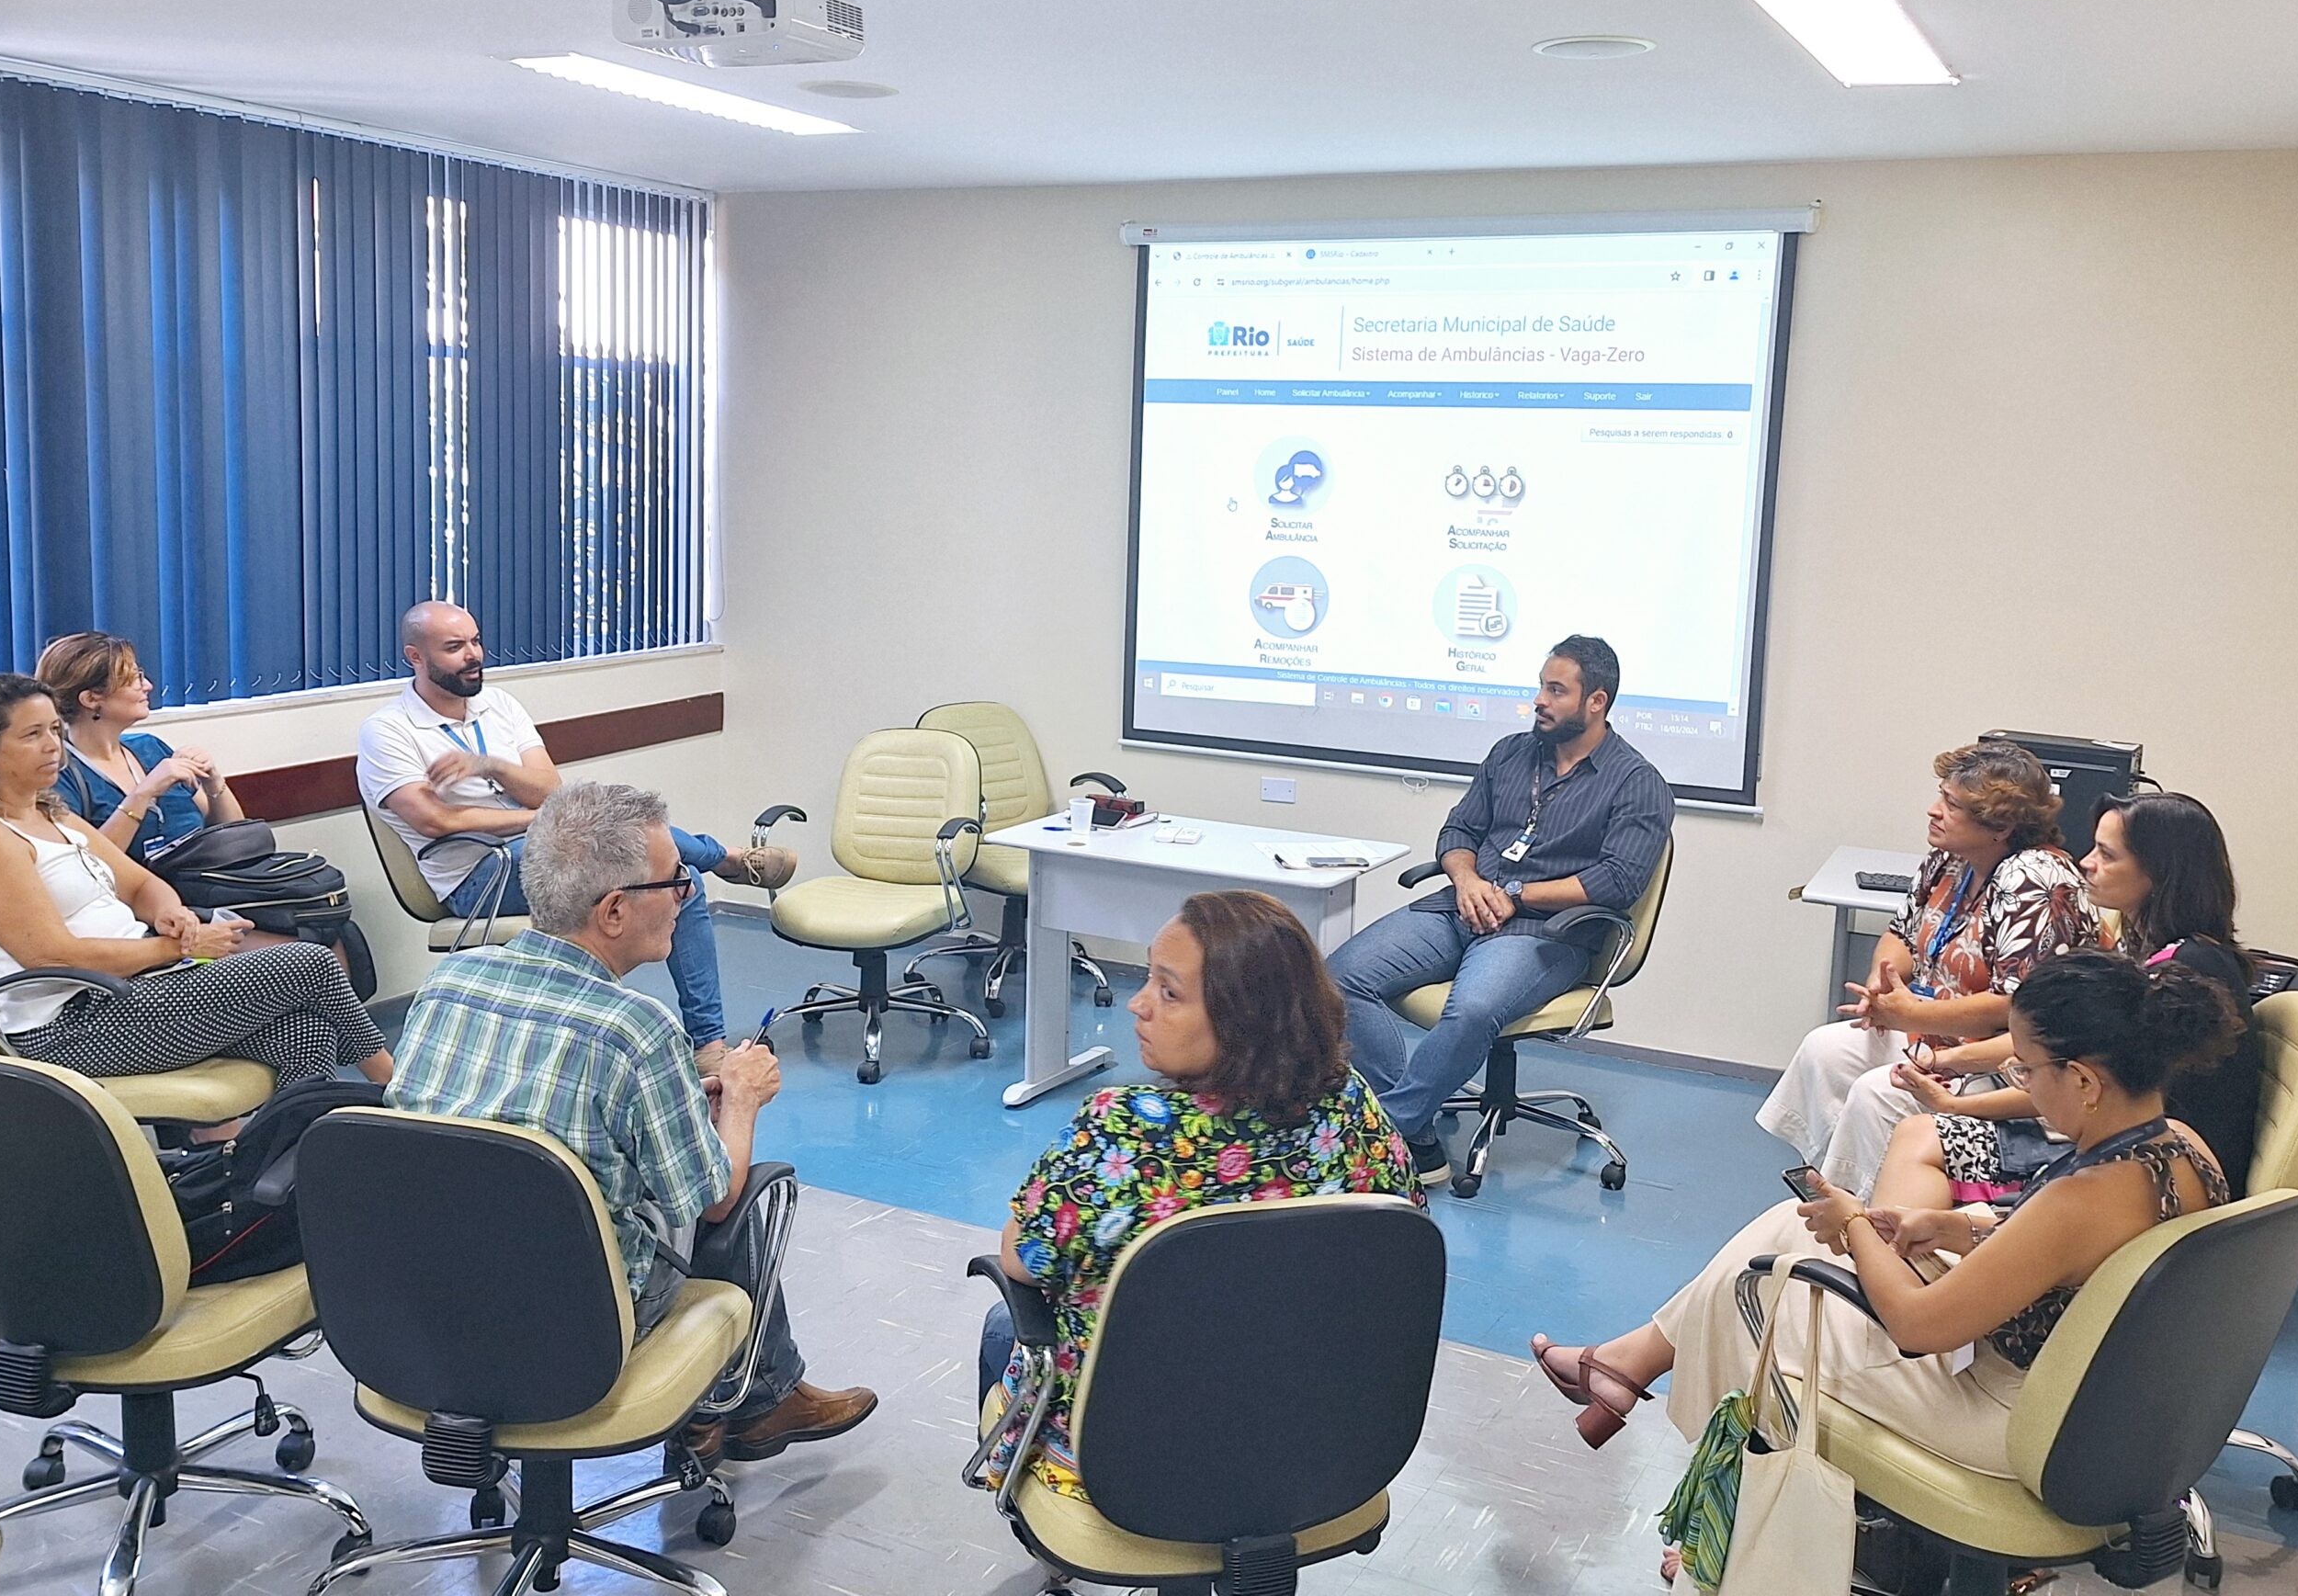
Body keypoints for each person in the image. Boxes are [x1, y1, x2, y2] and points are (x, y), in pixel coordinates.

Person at [1531, 950, 2234, 1480]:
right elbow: (2080, 1256)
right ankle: (1632, 1370)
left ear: (2082, 1080)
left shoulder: (2081, 1198)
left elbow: (1918, 1328)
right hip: (2109, 1409)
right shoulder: (2182, 1147)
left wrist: (1858, 1224)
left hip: (2023, 1421)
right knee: (1779, 1235)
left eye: (2025, 1069)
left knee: (1760, 1311)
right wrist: (1957, 1227)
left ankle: (1725, 1523)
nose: (2019, 1083)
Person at [385, 780, 875, 1464]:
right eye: (675, 882)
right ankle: (747, 1401)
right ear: (614, 911)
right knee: (731, 1194)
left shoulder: (446, 986)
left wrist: (670, 1100)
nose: (687, 894)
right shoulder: (636, 1028)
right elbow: (712, 1201)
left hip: (417, 1310)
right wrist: (739, 1099)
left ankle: (750, 1400)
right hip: (568, 1328)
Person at [978, 889, 1424, 1501]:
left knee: (1008, 1325)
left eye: (1168, 992)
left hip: (1131, 1460)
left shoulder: (1124, 1131)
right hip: (1315, 1441)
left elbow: (1019, 1259)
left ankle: (1034, 1522)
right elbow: (1400, 1245)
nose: (1137, 1005)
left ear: (1245, 1018)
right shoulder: (1353, 1109)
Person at [356, 600, 793, 1071]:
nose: (474, 654)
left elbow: (550, 790)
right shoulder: (388, 732)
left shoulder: (498, 706)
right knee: (630, 836)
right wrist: (537, 820)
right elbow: (435, 822)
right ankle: (726, 858)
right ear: (415, 657)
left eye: (476, 641)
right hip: (480, 875)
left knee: (680, 884)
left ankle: (707, 1044)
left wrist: (491, 766)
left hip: (547, 849)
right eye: (455, 647)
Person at [1327, 635, 1672, 1183]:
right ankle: (1412, 1125)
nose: (1540, 699)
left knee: (1473, 1008)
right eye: (1540, 685)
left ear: (1596, 702)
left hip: (1547, 932)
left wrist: (1514, 896)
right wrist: (1465, 880)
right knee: (1336, 978)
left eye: (1556, 690)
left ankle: (1388, 1134)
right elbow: (1459, 829)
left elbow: (1618, 879)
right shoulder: (1510, 753)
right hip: (1463, 906)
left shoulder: (1636, 783)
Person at [0, 673, 390, 1092]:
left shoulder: (52, 814)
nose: (53, 746)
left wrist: (171, 912)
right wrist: (180, 947)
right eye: (32, 735)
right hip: (72, 1024)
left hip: (138, 988)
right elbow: (51, 956)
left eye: (56, 729)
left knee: (308, 1033)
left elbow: (139, 887)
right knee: (308, 962)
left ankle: (289, 1155)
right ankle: (399, 1089)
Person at [1880, 790, 2262, 1206]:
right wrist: (1949, 1070)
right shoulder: (2164, 953)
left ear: (2160, 873)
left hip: (2161, 1170)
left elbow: (2090, 1088)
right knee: (1918, 1130)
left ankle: (1886, 1250)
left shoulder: (2183, 970)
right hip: (2132, 1141)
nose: (2086, 862)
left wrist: (1956, 1105)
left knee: (1920, 1137)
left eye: (2107, 854)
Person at [1756, 742, 2098, 1195]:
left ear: (2001, 827)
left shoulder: (2034, 880)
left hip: (2008, 1062)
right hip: (1935, 1032)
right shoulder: (1950, 857)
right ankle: (1840, 1191)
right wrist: (1884, 986)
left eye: (1952, 805)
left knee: (1877, 1094)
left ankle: (1871, 1219)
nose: (1933, 811)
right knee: (1825, 1051)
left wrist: (1910, 1015)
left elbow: (2016, 1006)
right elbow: (1901, 933)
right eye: (1941, 795)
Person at [37, 631, 248, 863]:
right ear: (90, 699)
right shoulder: (59, 773)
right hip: (134, 897)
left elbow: (235, 836)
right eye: (133, 679)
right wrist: (143, 793)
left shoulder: (151, 747)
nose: (148, 686)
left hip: (207, 883)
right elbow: (87, 865)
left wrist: (214, 783)